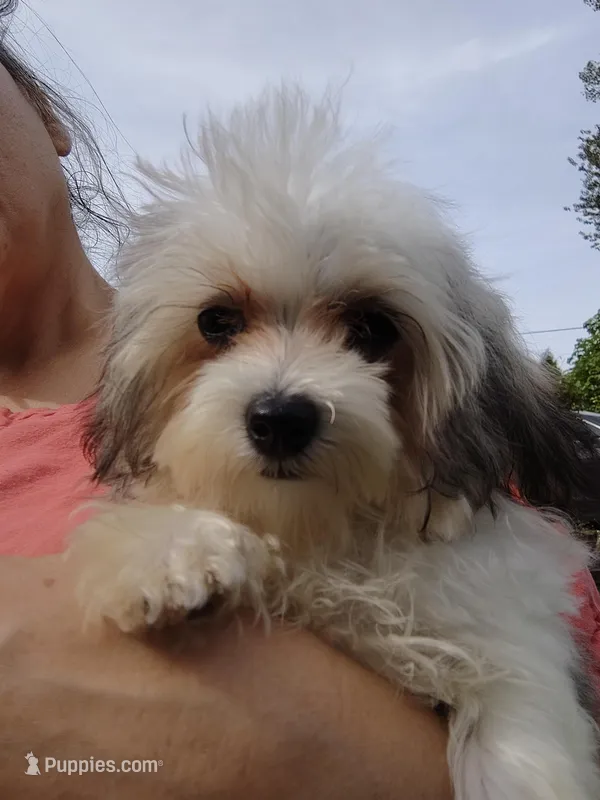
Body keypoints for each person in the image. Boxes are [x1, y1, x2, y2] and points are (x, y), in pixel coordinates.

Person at [0, 3, 597, 798]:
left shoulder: (482, 550)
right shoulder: (158, 503)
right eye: (221, 325)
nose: (283, 391)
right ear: (143, 393)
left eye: (368, 332)